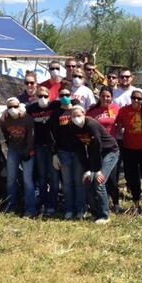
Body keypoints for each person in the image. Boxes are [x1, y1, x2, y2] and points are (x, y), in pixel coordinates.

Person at [70, 105, 119, 224]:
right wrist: (87, 169)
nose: (76, 118)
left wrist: (97, 170)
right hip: (96, 154)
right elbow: (80, 150)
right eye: (74, 116)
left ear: (84, 114)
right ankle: (95, 212)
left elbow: (97, 147)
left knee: (99, 181)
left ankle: (104, 215)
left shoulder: (91, 125)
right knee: (88, 180)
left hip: (109, 152)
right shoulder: (73, 127)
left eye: (79, 115)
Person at [115, 89, 142, 213]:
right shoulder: (123, 110)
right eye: (134, 98)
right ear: (130, 98)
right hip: (129, 148)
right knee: (133, 178)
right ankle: (136, 204)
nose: (136, 100)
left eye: (139, 98)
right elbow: (117, 125)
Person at [50, 87, 84, 220]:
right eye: (62, 94)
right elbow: (52, 134)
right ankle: (69, 209)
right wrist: (54, 154)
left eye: (67, 94)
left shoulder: (77, 110)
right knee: (67, 183)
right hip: (63, 152)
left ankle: (80, 209)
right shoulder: (56, 114)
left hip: (78, 152)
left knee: (79, 182)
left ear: (71, 95)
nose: (64, 96)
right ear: (58, 96)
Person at [86, 86, 121, 213]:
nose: (105, 98)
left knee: (112, 177)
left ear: (111, 97)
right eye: (103, 96)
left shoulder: (116, 109)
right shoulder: (92, 111)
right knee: (98, 176)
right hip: (96, 148)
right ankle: (99, 203)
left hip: (111, 147)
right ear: (99, 96)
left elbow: (121, 124)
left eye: (108, 96)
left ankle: (116, 203)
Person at [26, 86, 60, 216]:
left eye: (45, 96)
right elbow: (20, 110)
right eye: (40, 96)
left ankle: (53, 204)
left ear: (50, 96)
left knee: (54, 177)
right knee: (42, 176)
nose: (43, 98)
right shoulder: (32, 108)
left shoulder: (54, 105)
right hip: (39, 146)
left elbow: (71, 102)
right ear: (36, 96)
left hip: (53, 147)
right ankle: (44, 204)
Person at [1, 97, 36, 216]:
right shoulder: (5, 119)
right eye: (9, 107)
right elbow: (5, 133)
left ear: (19, 106)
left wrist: (28, 150)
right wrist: (8, 144)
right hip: (13, 149)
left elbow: (31, 135)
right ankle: (11, 205)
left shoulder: (26, 118)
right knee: (11, 179)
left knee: (28, 180)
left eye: (15, 106)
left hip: (26, 149)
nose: (12, 109)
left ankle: (30, 209)